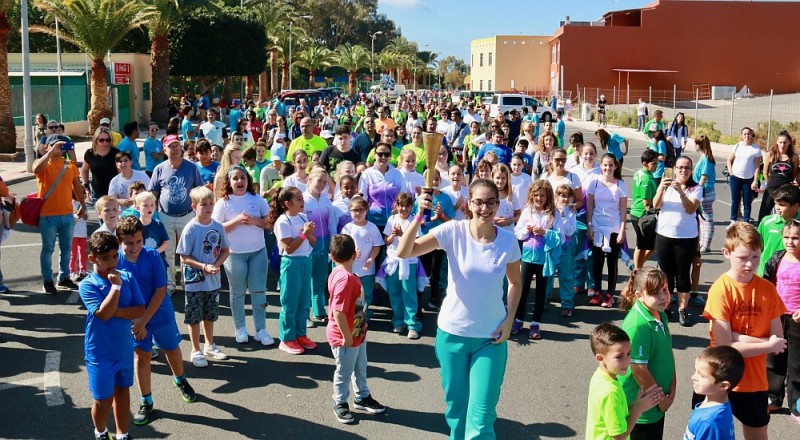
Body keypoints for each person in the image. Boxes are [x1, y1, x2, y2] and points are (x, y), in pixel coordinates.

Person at [397, 178, 522, 439]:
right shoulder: (452, 231)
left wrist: (510, 319)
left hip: (491, 338)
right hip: (452, 335)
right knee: (457, 411)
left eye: (490, 202)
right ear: (468, 204)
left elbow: (515, 283)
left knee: (482, 415)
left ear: (498, 205)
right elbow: (405, 251)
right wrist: (418, 215)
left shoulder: (508, 241)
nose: (484, 208)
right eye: (478, 202)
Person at [703, 222, 787, 440]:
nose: (750, 264)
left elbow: (778, 339)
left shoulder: (768, 289)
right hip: (720, 380)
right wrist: (766, 345)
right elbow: (725, 350)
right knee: (714, 435)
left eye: (755, 257)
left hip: (755, 382)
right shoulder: (721, 289)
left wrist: (737, 336)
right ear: (726, 253)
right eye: (743, 258)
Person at [115, 217, 196, 427]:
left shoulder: (152, 256)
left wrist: (143, 320)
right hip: (135, 319)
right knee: (142, 357)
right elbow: (119, 295)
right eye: (129, 243)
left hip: (158, 313)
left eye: (139, 241)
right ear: (119, 241)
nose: (134, 247)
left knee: (171, 349)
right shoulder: (116, 262)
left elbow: (161, 291)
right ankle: (146, 401)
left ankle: (180, 379)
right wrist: (136, 321)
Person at [78, 231, 145, 440]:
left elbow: (139, 309)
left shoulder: (127, 277)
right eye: (105, 258)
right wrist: (115, 287)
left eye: (115, 256)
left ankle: (122, 434)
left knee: (123, 392)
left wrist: (115, 310)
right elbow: (103, 315)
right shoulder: (88, 284)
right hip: (99, 352)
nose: (112, 262)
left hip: (123, 348)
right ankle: (100, 432)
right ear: (92, 259)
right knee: (103, 400)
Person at [326, 234, 386, 424]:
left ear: (331, 257)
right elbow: (338, 312)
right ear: (354, 254)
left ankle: (361, 396)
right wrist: (346, 337)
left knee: (360, 366)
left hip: (357, 331)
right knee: (343, 371)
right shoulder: (345, 279)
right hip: (346, 335)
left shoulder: (341, 272)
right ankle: (340, 402)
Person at [212, 165, 273, 346]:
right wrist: (237, 221)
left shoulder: (257, 198)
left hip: (258, 253)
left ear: (248, 179)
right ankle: (240, 328)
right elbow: (216, 228)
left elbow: (269, 222)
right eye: (235, 178)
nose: (240, 181)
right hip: (233, 254)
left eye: (243, 178)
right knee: (238, 292)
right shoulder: (223, 202)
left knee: (258, 291)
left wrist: (254, 220)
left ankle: (261, 329)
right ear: (229, 182)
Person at [618, 267, 676, 440]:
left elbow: (667, 351)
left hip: (657, 401)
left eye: (665, 290)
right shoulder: (639, 325)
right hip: (644, 408)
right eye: (655, 293)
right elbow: (639, 369)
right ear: (639, 296)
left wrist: (673, 384)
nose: (663, 297)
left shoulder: (659, 313)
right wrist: (662, 400)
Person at [176, 186, 230, 368]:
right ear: (194, 206)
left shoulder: (218, 226)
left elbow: (225, 251)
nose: (208, 207)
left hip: (212, 281)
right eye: (204, 204)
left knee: (210, 314)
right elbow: (183, 257)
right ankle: (195, 349)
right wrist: (203, 266)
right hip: (194, 283)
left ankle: (209, 345)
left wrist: (216, 265)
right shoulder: (191, 228)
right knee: (194, 316)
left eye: (211, 203)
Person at [585, 323, 662, 440]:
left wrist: (636, 404)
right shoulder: (610, 392)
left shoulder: (601, 377)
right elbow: (619, 436)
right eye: (619, 357)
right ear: (601, 358)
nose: (627, 361)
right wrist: (638, 409)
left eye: (628, 353)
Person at [149, 134, 204, 294]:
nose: (174, 149)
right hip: (165, 216)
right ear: (164, 150)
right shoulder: (159, 169)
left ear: (181, 149)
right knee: (168, 252)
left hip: (187, 215)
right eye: (170, 147)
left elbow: (199, 190)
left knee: (187, 251)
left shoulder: (192, 167)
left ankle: (188, 282)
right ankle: (170, 285)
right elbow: (154, 192)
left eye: (177, 146)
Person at [654, 155, 703, 326]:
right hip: (664, 235)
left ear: (691, 170)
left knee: (683, 275)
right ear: (674, 169)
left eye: (687, 168)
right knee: (666, 275)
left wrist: (681, 192)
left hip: (686, 238)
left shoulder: (696, 188)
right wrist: (661, 188)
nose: (683, 171)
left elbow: (690, 209)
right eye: (680, 167)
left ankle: (683, 309)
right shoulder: (666, 185)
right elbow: (656, 205)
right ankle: (666, 307)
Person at [35, 135, 86, 294]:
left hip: (67, 215)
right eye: (56, 145)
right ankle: (47, 280)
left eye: (61, 146)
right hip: (48, 215)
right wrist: (50, 153)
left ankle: (64, 277)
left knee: (66, 249)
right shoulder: (45, 165)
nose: (59, 149)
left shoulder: (70, 165)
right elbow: (35, 169)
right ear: (46, 147)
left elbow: (77, 186)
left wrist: (83, 205)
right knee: (48, 248)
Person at [269, 186, 317, 355]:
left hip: (306, 260)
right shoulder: (283, 222)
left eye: (301, 198)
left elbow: (313, 242)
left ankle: (300, 334)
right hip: (291, 263)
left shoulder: (303, 216)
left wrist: (309, 234)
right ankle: (287, 338)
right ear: (287, 203)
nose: (302, 202)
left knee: (304, 301)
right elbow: (288, 248)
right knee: (290, 303)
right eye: (298, 199)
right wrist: (304, 235)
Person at [762, 219, 800, 420]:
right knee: (774, 357)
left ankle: (797, 403)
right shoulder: (777, 259)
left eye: (795, 237)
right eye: (786, 237)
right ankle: (772, 397)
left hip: (797, 319)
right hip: (777, 316)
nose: (790, 242)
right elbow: (766, 285)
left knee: (796, 362)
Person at [513, 180, 556, 339]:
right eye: (536, 195)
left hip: (544, 260)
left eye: (542, 196)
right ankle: (518, 320)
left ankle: (535, 323)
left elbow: (558, 238)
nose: (538, 198)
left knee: (540, 293)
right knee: (522, 291)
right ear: (531, 195)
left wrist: (544, 232)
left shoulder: (552, 214)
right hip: (526, 258)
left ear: (547, 197)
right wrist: (526, 230)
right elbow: (518, 233)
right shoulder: (527, 211)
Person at [587, 154, 628, 308]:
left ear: (615, 166)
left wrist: (622, 230)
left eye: (610, 165)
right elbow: (590, 206)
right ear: (601, 165)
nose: (607, 168)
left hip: (614, 229)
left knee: (612, 262)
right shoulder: (594, 183)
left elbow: (623, 211)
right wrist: (589, 225)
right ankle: (597, 292)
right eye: (605, 165)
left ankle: (610, 294)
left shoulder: (620, 185)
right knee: (597, 261)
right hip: (597, 227)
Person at [411, 170, 454, 312]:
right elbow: (415, 222)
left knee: (436, 271)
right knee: (423, 270)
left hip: (440, 240)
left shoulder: (445, 199)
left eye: (436, 179)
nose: (434, 182)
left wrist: (441, 215)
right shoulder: (420, 199)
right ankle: (418, 298)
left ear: (440, 180)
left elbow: (450, 221)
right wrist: (428, 220)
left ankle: (435, 298)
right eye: (430, 179)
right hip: (424, 239)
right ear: (425, 181)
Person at [381, 193, 423, 338]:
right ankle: (398, 321)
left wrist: (402, 234)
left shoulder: (414, 221)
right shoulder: (391, 219)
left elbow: (416, 242)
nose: (404, 209)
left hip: (409, 262)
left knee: (409, 293)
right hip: (393, 261)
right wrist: (393, 236)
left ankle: (412, 324)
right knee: (395, 292)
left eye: (407, 206)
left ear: (411, 207)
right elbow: (386, 240)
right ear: (397, 206)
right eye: (401, 206)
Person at [685, 346, 745, 440]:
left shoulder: (709, 422)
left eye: (702, 376)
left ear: (723, 386)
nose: (693, 377)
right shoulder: (714, 405)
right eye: (696, 371)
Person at [304, 169, 338, 324]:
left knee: (319, 280)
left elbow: (331, 225)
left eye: (324, 182)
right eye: (319, 181)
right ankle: (304, 315)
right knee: (305, 282)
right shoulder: (303, 201)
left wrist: (333, 245)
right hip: (308, 247)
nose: (322, 185)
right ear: (309, 180)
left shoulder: (326, 201)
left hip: (324, 247)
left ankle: (319, 311)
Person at [341, 197, 382, 320]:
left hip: (367, 269)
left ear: (366, 211)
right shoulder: (347, 228)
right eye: (354, 210)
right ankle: (352, 314)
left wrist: (370, 259)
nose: (357, 213)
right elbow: (343, 247)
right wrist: (351, 253)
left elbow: (377, 246)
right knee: (352, 292)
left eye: (360, 210)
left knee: (367, 292)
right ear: (350, 211)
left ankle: (364, 314)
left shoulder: (372, 227)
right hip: (351, 268)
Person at [358, 142, 404, 231]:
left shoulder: (398, 174)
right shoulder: (367, 174)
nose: (383, 157)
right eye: (380, 154)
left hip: (394, 222)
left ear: (390, 156)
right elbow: (362, 198)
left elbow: (403, 196)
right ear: (375, 155)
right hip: (373, 222)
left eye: (386, 154)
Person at [757, 184, 800, 276]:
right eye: (776, 203)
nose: (777, 207)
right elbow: (757, 247)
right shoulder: (767, 222)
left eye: (782, 205)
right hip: (765, 273)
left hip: (791, 275)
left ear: (795, 206)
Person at [550, 184, 578, 317]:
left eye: (568, 196)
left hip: (566, 247)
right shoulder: (551, 209)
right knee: (548, 273)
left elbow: (570, 231)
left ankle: (567, 304)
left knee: (566, 275)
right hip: (552, 246)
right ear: (557, 197)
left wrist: (564, 218)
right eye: (562, 196)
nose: (565, 199)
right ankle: (545, 298)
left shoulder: (571, 212)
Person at [758, 131, 798, 222]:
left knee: (786, 215)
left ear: (789, 143)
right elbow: (765, 171)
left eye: (785, 142)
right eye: (780, 142)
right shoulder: (771, 155)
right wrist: (768, 183)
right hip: (771, 189)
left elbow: (794, 173)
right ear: (777, 142)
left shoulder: (794, 157)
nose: (782, 145)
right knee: (764, 213)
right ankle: (760, 234)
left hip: (785, 191)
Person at [726, 127, 763, 225]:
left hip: (748, 179)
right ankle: (733, 221)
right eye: (745, 134)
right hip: (735, 178)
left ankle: (746, 221)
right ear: (742, 136)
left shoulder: (756, 149)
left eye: (749, 134)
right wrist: (730, 171)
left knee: (747, 202)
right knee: (735, 200)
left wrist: (755, 180)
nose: (747, 135)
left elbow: (757, 166)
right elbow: (729, 160)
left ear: (752, 135)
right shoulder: (737, 146)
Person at [81, 128, 121, 202]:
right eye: (101, 140)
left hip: (114, 193)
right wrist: (86, 186)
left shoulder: (116, 153)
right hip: (96, 193)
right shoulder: (89, 153)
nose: (105, 142)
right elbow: (84, 169)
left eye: (108, 140)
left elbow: (120, 173)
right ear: (96, 140)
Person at [694, 135, 718, 253]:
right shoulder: (704, 157)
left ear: (699, 145)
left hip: (705, 192)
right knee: (702, 218)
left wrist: (697, 191)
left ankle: (706, 244)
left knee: (707, 219)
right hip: (703, 191)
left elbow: (703, 177)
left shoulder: (706, 159)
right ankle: (702, 242)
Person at [70, 200, 89, 282]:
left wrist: (84, 216)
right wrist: (77, 215)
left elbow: (86, 217)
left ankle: (83, 270)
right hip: (73, 233)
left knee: (82, 252)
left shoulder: (83, 204)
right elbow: (69, 217)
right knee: (73, 254)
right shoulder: (69, 203)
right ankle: (72, 271)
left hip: (83, 232)